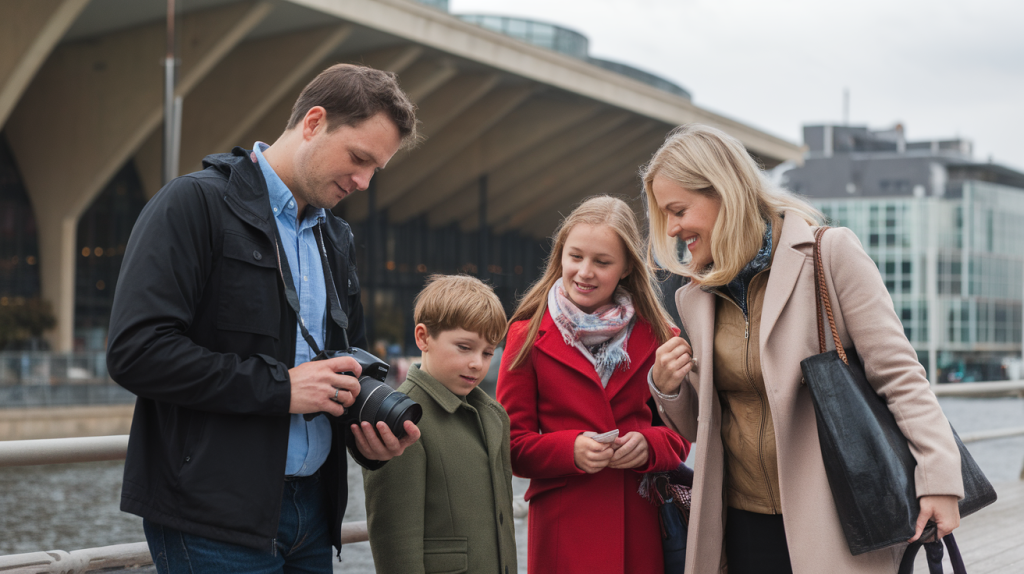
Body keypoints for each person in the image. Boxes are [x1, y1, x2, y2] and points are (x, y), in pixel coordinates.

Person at [106, 64, 422, 573]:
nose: (364, 182)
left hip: (315, 516)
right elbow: (135, 352)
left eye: (376, 170)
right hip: (212, 517)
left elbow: (346, 369)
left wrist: (370, 438)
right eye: (359, 158)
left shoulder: (337, 240)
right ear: (314, 122)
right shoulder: (193, 204)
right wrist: (282, 389)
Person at [644, 124, 964, 574]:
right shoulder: (692, 296)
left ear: (723, 191)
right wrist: (667, 387)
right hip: (738, 523)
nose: (674, 229)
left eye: (678, 210)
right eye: (666, 216)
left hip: (835, 519)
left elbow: (900, 376)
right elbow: (702, 426)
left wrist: (939, 480)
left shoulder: (828, 255)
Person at [496, 195, 691, 574]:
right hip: (561, 528)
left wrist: (648, 445)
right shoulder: (525, 335)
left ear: (626, 269)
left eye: (602, 262)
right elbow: (510, 445)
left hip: (640, 525)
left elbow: (681, 436)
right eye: (575, 257)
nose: (584, 272)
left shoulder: (661, 337)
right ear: (560, 257)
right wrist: (570, 450)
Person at [363, 274, 517, 574]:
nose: (478, 363)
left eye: (488, 352)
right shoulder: (401, 419)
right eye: (464, 347)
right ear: (423, 338)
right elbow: (395, 542)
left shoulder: (493, 416)